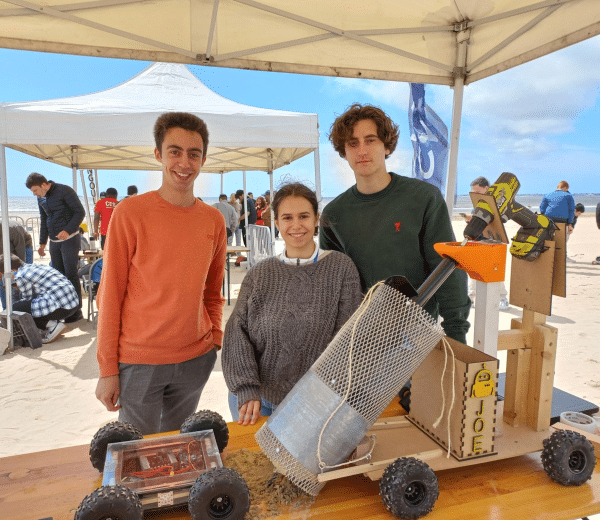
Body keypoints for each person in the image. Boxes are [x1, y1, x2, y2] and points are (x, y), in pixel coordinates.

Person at [95, 111, 227, 435]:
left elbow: (212, 290)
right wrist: (107, 368)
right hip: (139, 362)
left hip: (196, 358)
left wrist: (216, 339)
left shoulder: (213, 220)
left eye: (193, 154)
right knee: (136, 457)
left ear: (203, 160)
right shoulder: (129, 213)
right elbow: (109, 294)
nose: (184, 162)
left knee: (179, 454)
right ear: (158, 155)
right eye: (175, 152)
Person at [320, 103, 470, 344]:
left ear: (386, 145)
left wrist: (456, 332)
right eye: (353, 143)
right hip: (363, 338)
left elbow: (447, 268)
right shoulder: (333, 214)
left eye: (370, 140)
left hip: (419, 335)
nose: (362, 151)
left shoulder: (423, 198)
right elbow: (334, 287)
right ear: (343, 151)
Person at [223, 182, 362, 426]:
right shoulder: (260, 273)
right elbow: (236, 331)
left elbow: (347, 338)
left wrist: (323, 395)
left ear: (316, 219)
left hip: (313, 404)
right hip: (255, 401)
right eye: (287, 218)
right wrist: (245, 387)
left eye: (304, 216)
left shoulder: (341, 268)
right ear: (276, 223)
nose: (296, 225)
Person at [25, 172, 85, 323]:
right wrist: (42, 243)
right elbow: (44, 219)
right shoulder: (41, 198)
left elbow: (80, 212)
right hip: (54, 241)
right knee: (58, 276)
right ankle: (63, 310)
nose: (35, 194)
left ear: (43, 185)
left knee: (71, 274)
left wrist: (68, 229)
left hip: (70, 238)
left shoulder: (65, 190)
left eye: (35, 190)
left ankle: (76, 311)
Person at [4, 254, 79, 344]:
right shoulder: (35, 266)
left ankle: (53, 325)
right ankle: (52, 322)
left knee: (17, 308)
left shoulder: (21, 276)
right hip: (73, 304)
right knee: (32, 303)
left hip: (62, 308)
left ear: (11, 270)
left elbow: (26, 300)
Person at [465, 177, 509, 310]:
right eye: (473, 192)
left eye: (478, 191)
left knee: (495, 269)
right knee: (474, 268)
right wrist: (470, 221)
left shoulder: (497, 202)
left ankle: (502, 298)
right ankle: (472, 297)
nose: (476, 194)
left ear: (487, 188)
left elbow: (502, 220)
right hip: (477, 240)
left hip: (493, 240)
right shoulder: (477, 202)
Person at [0, 219, 27, 309]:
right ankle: (6, 310)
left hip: (24, 248)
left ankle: (21, 310)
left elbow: (21, 256)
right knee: (2, 282)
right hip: (4, 253)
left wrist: (17, 272)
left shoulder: (12, 229)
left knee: (21, 280)